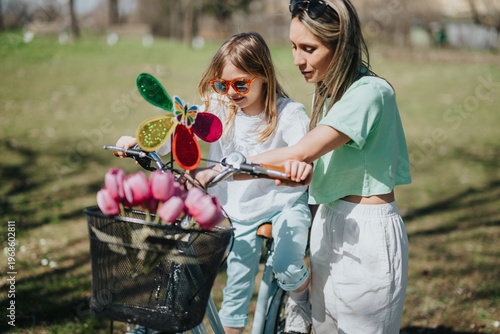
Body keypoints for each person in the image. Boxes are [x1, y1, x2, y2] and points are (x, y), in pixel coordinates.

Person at [196, 1, 412, 333]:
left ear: (340, 44)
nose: (297, 60)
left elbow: (303, 149)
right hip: (327, 221)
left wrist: (227, 165)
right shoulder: (324, 92)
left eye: (308, 48)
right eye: (294, 47)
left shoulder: (370, 93)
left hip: (365, 233)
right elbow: (315, 163)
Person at [117, 32, 313, 334]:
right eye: (222, 84)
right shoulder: (220, 111)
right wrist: (141, 144)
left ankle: (301, 301)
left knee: (287, 265)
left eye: (240, 84)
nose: (230, 92)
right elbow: (178, 133)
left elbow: (304, 151)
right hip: (237, 208)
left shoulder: (289, 114)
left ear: (264, 75)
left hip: (282, 204)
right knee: (235, 287)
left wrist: (298, 165)